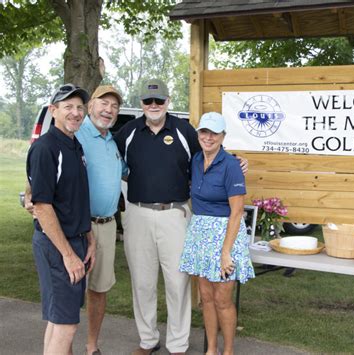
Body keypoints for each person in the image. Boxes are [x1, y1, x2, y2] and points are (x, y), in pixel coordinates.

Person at [114, 79, 247, 355]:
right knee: (142, 282)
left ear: (168, 101)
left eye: (159, 101)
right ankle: (148, 340)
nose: (153, 106)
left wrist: (237, 160)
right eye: (148, 101)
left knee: (177, 282)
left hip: (174, 214)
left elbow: (212, 155)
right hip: (137, 214)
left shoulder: (184, 131)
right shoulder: (128, 132)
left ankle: (177, 344)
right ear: (141, 103)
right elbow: (108, 159)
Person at [26, 83, 96, 354]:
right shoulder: (47, 148)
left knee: (59, 320)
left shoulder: (74, 145)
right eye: (68, 107)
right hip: (57, 246)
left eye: (80, 108)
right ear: (53, 110)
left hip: (75, 241)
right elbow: (42, 207)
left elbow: (75, 198)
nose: (76, 113)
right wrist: (68, 255)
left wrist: (89, 239)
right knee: (66, 324)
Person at [179, 112, 255, 355]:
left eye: (214, 133)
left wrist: (226, 252)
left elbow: (237, 212)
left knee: (222, 299)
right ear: (198, 134)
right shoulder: (195, 160)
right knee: (206, 297)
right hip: (201, 233)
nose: (208, 137)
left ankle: (228, 351)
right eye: (204, 132)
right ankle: (211, 349)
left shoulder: (231, 165)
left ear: (223, 136)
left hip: (225, 234)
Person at [75, 85, 128, 355]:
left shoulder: (113, 142)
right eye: (104, 103)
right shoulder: (75, 133)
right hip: (76, 226)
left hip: (106, 226)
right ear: (91, 104)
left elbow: (130, 172)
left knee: (99, 289)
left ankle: (91, 346)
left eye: (114, 106)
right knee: (70, 290)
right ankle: (62, 347)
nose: (108, 110)